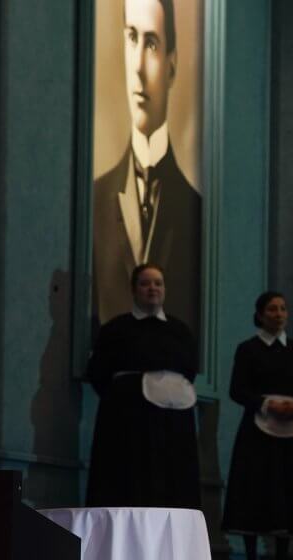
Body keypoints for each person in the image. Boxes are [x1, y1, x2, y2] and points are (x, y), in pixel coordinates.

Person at [93, 0, 201, 337]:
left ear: (171, 65)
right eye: (131, 38)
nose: (138, 66)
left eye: (151, 44)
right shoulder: (95, 200)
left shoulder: (196, 209)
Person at [86, 263, 200, 508]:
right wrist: (125, 397)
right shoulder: (116, 329)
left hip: (174, 424)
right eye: (145, 283)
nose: (152, 288)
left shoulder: (180, 331)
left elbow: (190, 370)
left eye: (158, 283)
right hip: (129, 423)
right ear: (133, 289)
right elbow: (98, 373)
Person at [222, 291, 293, 560]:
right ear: (260, 315)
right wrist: (266, 404)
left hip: (290, 429)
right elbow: (237, 389)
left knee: (287, 488)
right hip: (257, 431)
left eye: (283, 309)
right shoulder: (248, 349)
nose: (278, 313)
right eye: (272, 309)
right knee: (254, 490)